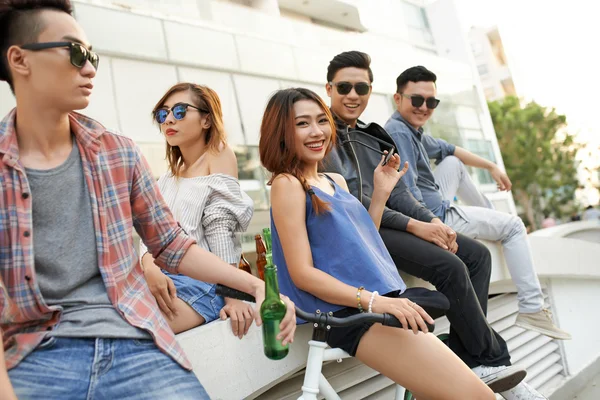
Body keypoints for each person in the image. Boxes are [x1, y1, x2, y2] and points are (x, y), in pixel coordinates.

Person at [0, 1, 295, 399]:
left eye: (92, 56)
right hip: (37, 353)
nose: (89, 68)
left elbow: (172, 244)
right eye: (74, 52)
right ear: (20, 60)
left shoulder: (119, 154)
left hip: (136, 340)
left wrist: (255, 288)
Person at [322, 51, 537, 398]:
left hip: (389, 221)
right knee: (450, 266)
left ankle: (470, 356)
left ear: (370, 90)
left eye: (360, 87)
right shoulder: (323, 135)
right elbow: (354, 204)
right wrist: (415, 227)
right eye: (344, 86)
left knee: (476, 256)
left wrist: (435, 221)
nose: (352, 94)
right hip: (362, 233)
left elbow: (402, 191)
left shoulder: (373, 136)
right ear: (329, 87)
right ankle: (490, 358)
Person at [260, 87, 496, 400]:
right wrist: (375, 302)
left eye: (321, 120)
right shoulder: (287, 185)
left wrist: (381, 193)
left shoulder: (335, 181)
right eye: (303, 124)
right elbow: (302, 273)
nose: (317, 132)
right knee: (479, 397)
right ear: (282, 132)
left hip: (377, 303)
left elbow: (362, 246)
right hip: (347, 315)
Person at [384, 65, 571, 344]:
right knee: (514, 226)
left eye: (431, 101)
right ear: (397, 99)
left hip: (436, 201)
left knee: (453, 162)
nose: (424, 107)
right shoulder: (398, 132)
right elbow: (406, 191)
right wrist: (430, 225)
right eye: (416, 99)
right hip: (435, 215)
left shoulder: (414, 130)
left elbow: (450, 150)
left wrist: (492, 166)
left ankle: (492, 220)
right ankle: (532, 307)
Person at [141, 83, 254, 338]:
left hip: (200, 285)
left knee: (134, 330)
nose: (169, 119)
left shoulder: (219, 155)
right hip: (158, 279)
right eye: (163, 113)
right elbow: (149, 236)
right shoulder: (168, 179)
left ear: (206, 119)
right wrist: (149, 268)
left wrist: (233, 295)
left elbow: (220, 228)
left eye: (180, 111)